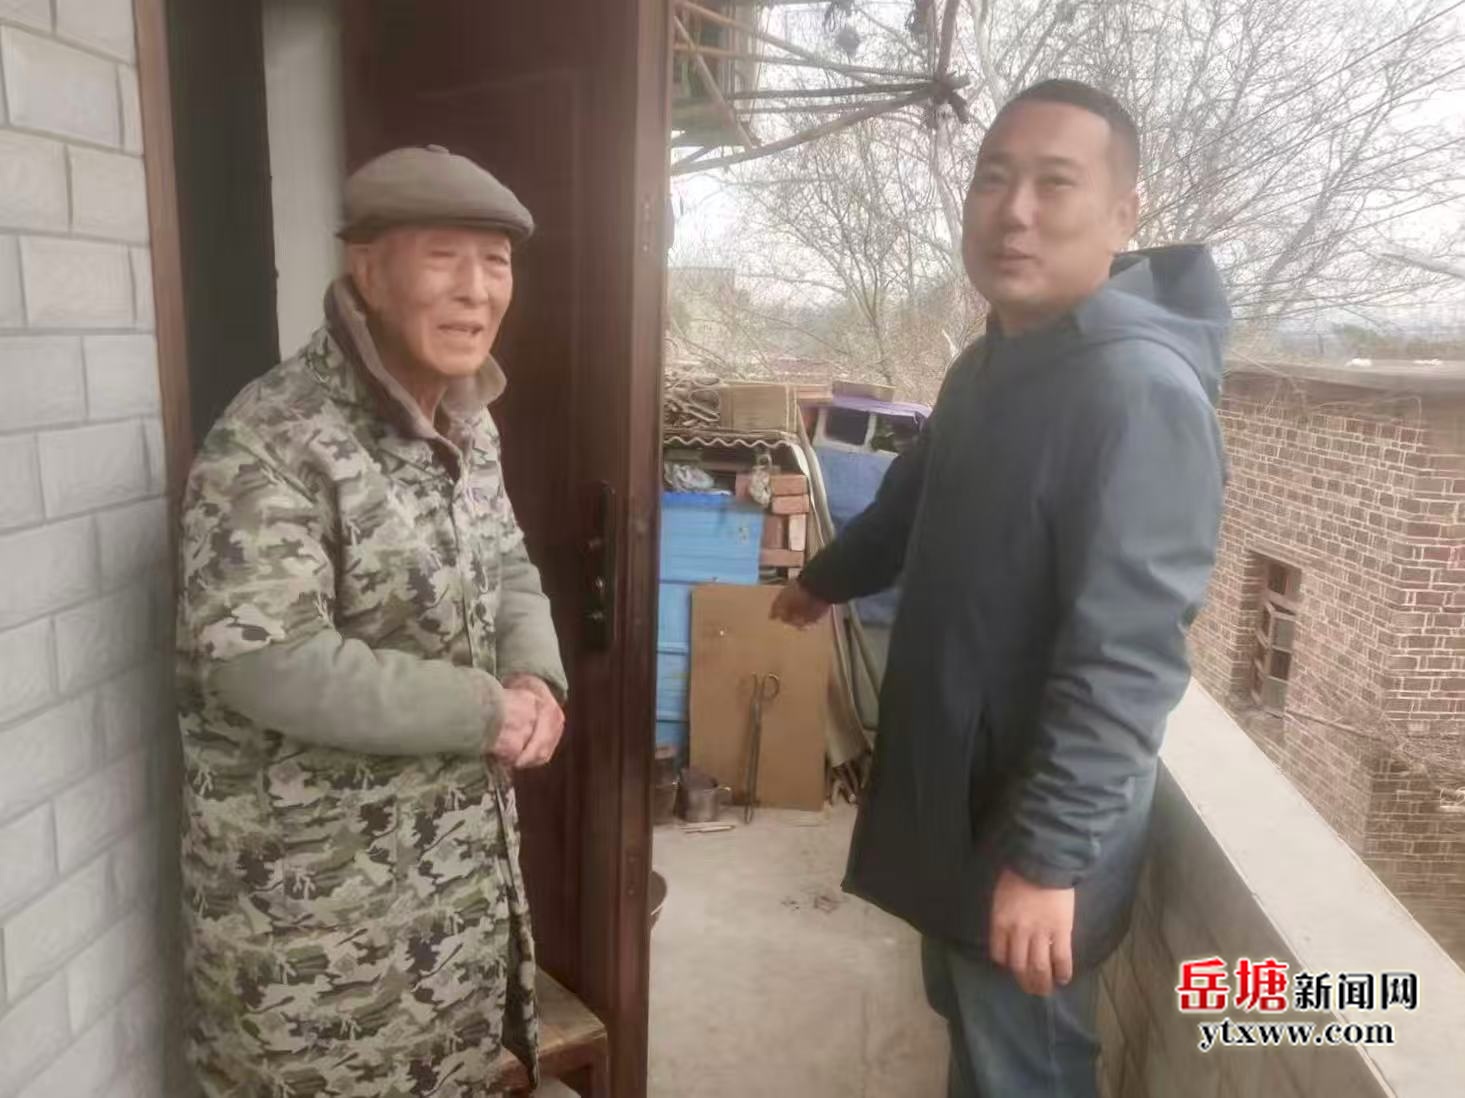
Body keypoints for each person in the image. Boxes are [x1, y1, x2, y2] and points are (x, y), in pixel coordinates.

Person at [773, 80, 1229, 1096]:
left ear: (1122, 214)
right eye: (992, 179)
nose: (1013, 212)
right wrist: (825, 582)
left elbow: (1128, 657)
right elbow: (912, 500)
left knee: (1023, 1065)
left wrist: (1049, 860)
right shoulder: (990, 364)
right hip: (959, 793)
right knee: (976, 1041)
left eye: (1053, 183)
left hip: (1034, 820)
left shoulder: (1134, 391)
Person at [176, 145, 568, 1096]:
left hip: (452, 916)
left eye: (495, 262)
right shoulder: (271, 438)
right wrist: (485, 710)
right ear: (367, 270)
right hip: (317, 949)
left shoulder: (468, 419)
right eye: (443, 257)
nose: (475, 291)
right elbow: (267, 661)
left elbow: (508, 564)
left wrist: (535, 677)